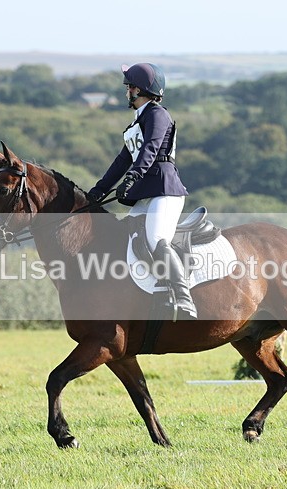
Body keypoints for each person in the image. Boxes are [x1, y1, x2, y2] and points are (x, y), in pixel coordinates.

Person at [87, 63, 196, 320]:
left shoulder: (157, 115)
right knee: (131, 237)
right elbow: (121, 161)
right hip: (146, 193)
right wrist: (98, 191)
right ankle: (156, 290)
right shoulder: (138, 120)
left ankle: (183, 297)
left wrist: (134, 176)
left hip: (164, 189)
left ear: (140, 90)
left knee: (157, 238)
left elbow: (151, 149)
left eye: (129, 87)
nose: (127, 92)